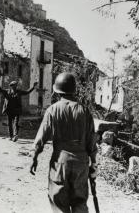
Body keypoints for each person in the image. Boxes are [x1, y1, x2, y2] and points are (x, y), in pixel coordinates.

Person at [30, 72, 98, 213]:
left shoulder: (52, 110)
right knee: (80, 203)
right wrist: (93, 164)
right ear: (74, 90)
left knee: (59, 204)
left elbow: (41, 138)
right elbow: (92, 141)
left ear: (57, 90)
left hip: (60, 163)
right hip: (81, 163)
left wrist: (34, 157)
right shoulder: (85, 111)